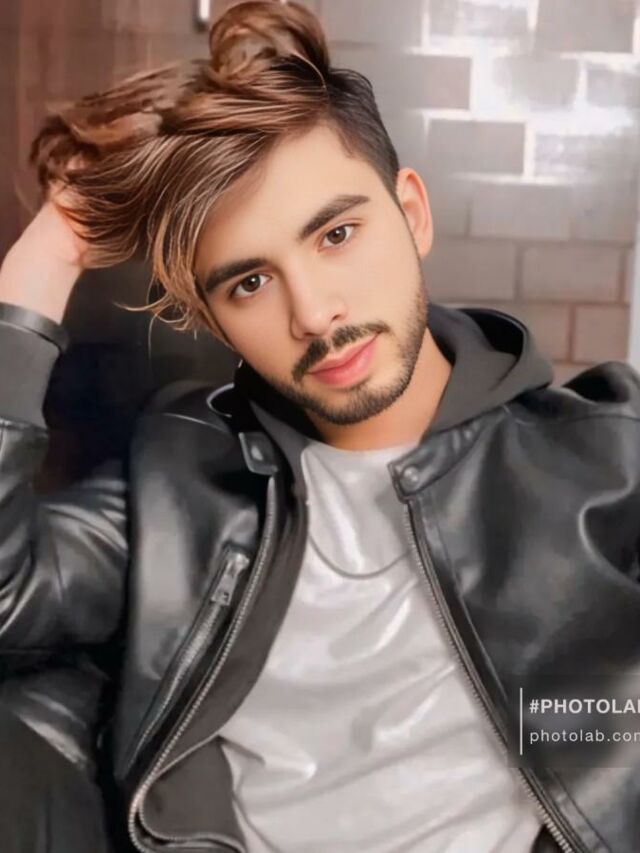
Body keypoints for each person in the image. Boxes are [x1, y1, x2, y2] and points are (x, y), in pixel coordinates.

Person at [1, 1, 639, 851]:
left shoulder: (607, 460)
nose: (313, 312)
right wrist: (43, 261)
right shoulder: (181, 476)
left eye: (337, 234)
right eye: (250, 283)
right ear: (213, 317)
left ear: (412, 213)